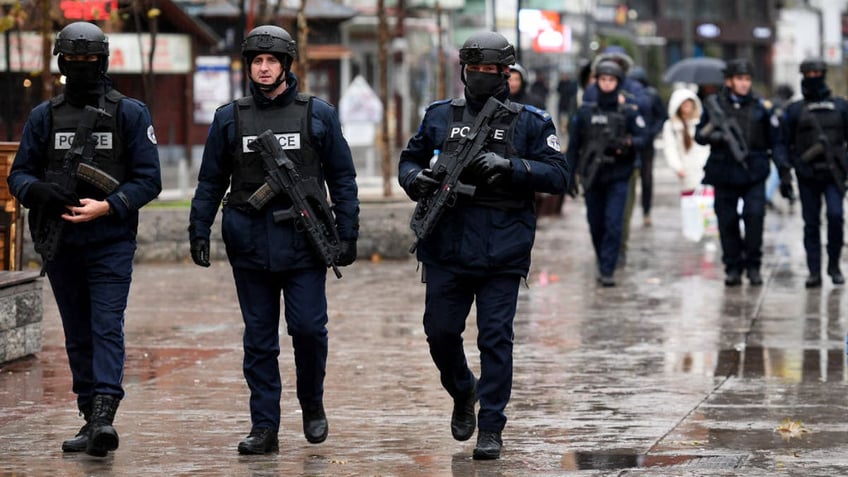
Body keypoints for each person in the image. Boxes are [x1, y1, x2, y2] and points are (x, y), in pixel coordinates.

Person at [188, 25, 359, 454]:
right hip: (248, 241)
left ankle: (312, 403)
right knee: (259, 340)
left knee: (307, 330)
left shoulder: (316, 113)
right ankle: (264, 426)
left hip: (304, 242)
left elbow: (342, 177)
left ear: (286, 65)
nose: (264, 69)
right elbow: (210, 181)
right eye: (257, 62)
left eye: (271, 61)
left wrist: (349, 233)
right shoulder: (230, 117)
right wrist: (198, 228)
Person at [397, 31, 568, 460]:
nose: (481, 77)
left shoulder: (531, 121)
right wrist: (416, 181)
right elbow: (409, 159)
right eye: (474, 69)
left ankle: (491, 426)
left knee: (496, 339)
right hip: (446, 245)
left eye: (491, 70)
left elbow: (558, 174)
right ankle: (462, 391)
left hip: (502, 249)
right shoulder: (439, 115)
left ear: (506, 74)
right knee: (439, 333)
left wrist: (511, 167)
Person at [7, 21, 162, 457]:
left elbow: (149, 181)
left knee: (105, 326)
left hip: (110, 240)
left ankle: (103, 416)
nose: (80, 69)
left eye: (88, 62)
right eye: (72, 62)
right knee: (77, 333)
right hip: (61, 243)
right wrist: (35, 191)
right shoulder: (44, 117)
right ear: (61, 63)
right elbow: (19, 173)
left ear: (103, 61)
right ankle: (87, 414)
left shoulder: (129, 113)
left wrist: (108, 205)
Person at [694, 58, 790, 287]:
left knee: (754, 217)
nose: (744, 84)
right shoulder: (715, 105)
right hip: (723, 171)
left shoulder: (760, 107)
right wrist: (713, 134)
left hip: (753, 171)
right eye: (739, 79)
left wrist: (784, 172)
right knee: (727, 221)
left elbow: (775, 142)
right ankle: (733, 267)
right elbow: (699, 135)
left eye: (747, 79)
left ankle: (754, 265)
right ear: (729, 81)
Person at [566, 60, 647, 287]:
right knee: (595, 223)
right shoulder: (585, 113)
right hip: (593, 176)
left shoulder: (628, 112)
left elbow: (644, 136)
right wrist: (569, 176)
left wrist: (628, 142)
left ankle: (607, 268)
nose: (607, 84)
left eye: (611, 80)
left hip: (619, 175)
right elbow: (573, 147)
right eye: (603, 79)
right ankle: (603, 259)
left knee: (614, 223)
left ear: (618, 82)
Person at [782, 57, 848, 288]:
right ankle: (814, 271)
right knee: (810, 223)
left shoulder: (840, 106)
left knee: (835, 217)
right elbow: (783, 143)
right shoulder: (795, 110)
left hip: (834, 174)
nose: (814, 78)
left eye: (817, 73)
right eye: (809, 74)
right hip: (807, 174)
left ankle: (833, 265)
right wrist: (787, 172)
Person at [628, 66, 669, 226]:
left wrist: (652, 131)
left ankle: (646, 211)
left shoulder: (651, 95)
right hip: (631, 143)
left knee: (646, 179)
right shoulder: (627, 95)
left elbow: (662, 116)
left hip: (647, 145)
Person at [662, 87, 711, 194]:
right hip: (687, 173)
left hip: (707, 170)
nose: (686, 105)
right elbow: (670, 148)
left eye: (689, 102)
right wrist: (677, 168)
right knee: (691, 207)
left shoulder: (701, 123)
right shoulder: (671, 126)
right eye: (683, 103)